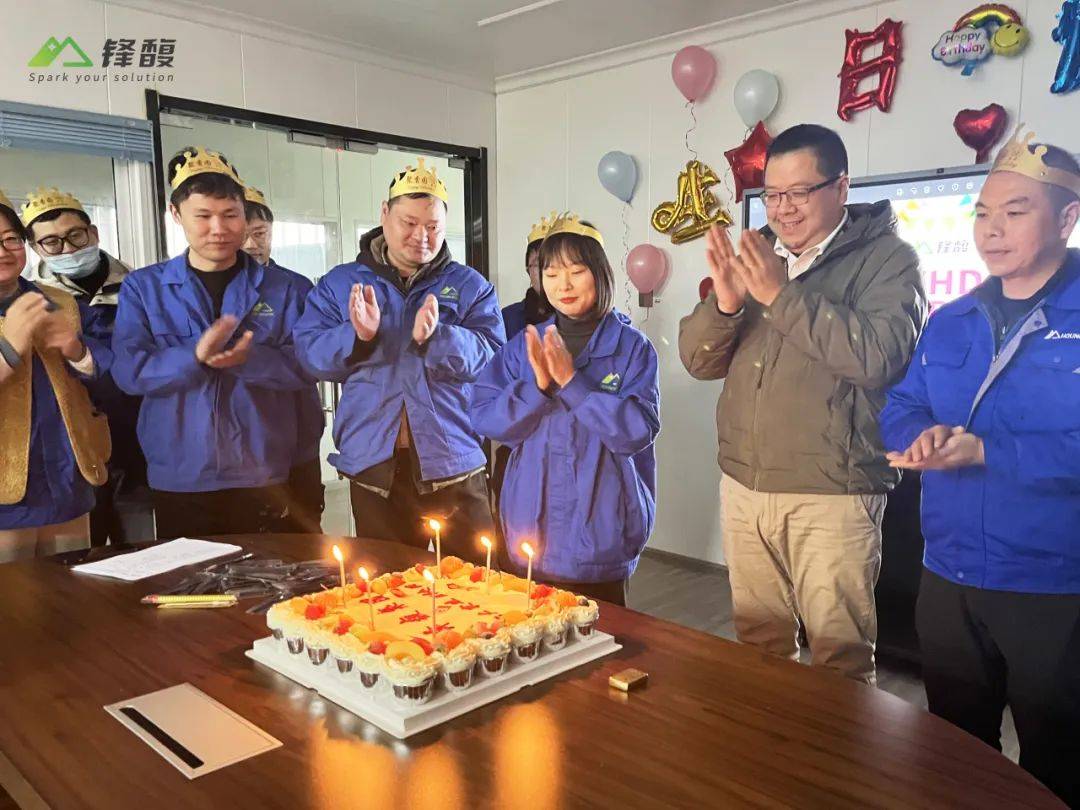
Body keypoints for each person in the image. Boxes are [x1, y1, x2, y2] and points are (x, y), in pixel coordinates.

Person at [678, 124, 927, 684]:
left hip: (832, 492)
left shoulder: (889, 260)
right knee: (758, 646)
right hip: (745, 484)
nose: (782, 209)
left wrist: (780, 296)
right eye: (772, 194)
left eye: (799, 192)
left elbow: (879, 358)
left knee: (838, 659)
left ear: (841, 187)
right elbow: (697, 361)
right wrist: (725, 302)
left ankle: (836, 747)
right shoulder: (758, 253)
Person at [880, 129, 1080, 807]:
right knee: (954, 752)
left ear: (1067, 218)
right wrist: (921, 435)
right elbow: (902, 404)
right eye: (984, 214)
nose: (992, 231)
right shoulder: (952, 319)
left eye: (1015, 212)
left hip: (1054, 585)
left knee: (1057, 760)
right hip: (949, 573)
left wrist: (989, 451)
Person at [295, 159, 504, 556]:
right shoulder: (341, 283)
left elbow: (493, 359)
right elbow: (309, 355)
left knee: (473, 580)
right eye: (409, 223)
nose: (421, 236)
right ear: (384, 214)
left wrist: (438, 338)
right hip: (374, 465)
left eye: (433, 227)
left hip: (454, 462)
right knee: (386, 579)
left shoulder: (470, 286)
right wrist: (358, 337)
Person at [111, 147, 313, 539]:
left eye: (230, 214)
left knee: (270, 572)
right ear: (176, 214)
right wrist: (195, 357)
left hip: (264, 469)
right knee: (190, 576)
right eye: (203, 216)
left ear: (245, 214)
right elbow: (129, 372)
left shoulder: (287, 288)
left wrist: (248, 359)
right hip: (181, 473)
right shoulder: (145, 288)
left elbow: (308, 366)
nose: (218, 228)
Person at [471, 215, 658, 606]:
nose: (564, 285)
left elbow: (637, 432)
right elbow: (485, 416)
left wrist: (574, 384)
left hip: (601, 533)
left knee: (600, 635)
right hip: (531, 532)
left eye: (576, 271)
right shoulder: (525, 346)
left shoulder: (632, 348)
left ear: (600, 274)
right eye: (552, 273)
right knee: (531, 634)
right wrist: (537, 389)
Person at [23, 187, 152, 546]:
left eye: (75, 235)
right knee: (83, 557)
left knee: (143, 550)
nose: (67, 249)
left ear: (93, 233)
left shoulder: (142, 288)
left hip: (137, 438)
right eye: (51, 242)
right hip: (72, 449)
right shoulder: (32, 302)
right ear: (35, 248)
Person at [0, 188, 110, 561]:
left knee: (72, 589)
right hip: (6, 497)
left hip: (68, 478)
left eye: (10, 239)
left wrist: (78, 351)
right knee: (15, 595)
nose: (3, 252)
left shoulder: (61, 301)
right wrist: (9, 347)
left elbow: (109, 374)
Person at [242, 186, 325, 533]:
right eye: (243, 235)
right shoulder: (202, 290)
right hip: (233, 451)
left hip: (295, 442)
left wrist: (240, 360)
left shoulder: (296, 287)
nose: (252, 244)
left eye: (260, 233)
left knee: (303, 540)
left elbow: (311, 361)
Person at [501, 213, 554, 340]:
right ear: (528, 270)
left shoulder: (578, 316)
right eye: (537, 264)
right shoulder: (508, 317)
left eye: (552, 263)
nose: (545, 271)